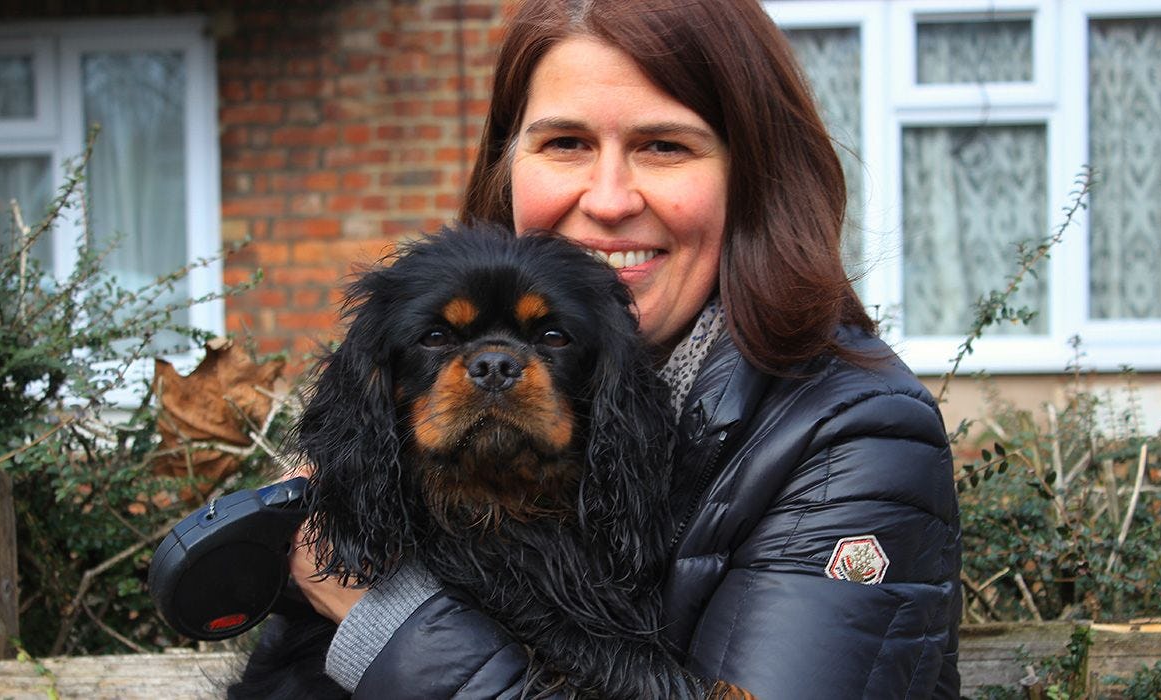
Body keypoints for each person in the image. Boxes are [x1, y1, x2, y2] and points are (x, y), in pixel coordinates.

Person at [292, 0, 962, 697]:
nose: (608, 201)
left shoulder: (855, 441)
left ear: (754, 177)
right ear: (506, 165)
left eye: (664, 145)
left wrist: (384, 614)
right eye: (566, 143)